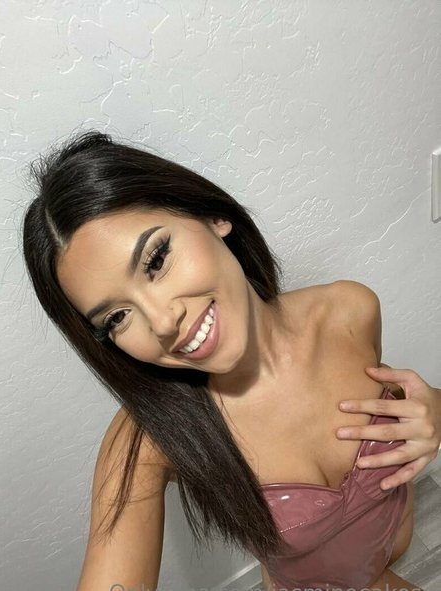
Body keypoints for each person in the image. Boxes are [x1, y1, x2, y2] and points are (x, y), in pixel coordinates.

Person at [22, 130, 440, 591]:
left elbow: (393, 399)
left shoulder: (351, 311)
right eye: (117, 317)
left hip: (393, 559)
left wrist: (435, 410)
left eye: (156, 260)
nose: (162, 321)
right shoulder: (147, 442)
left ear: (213, 216)